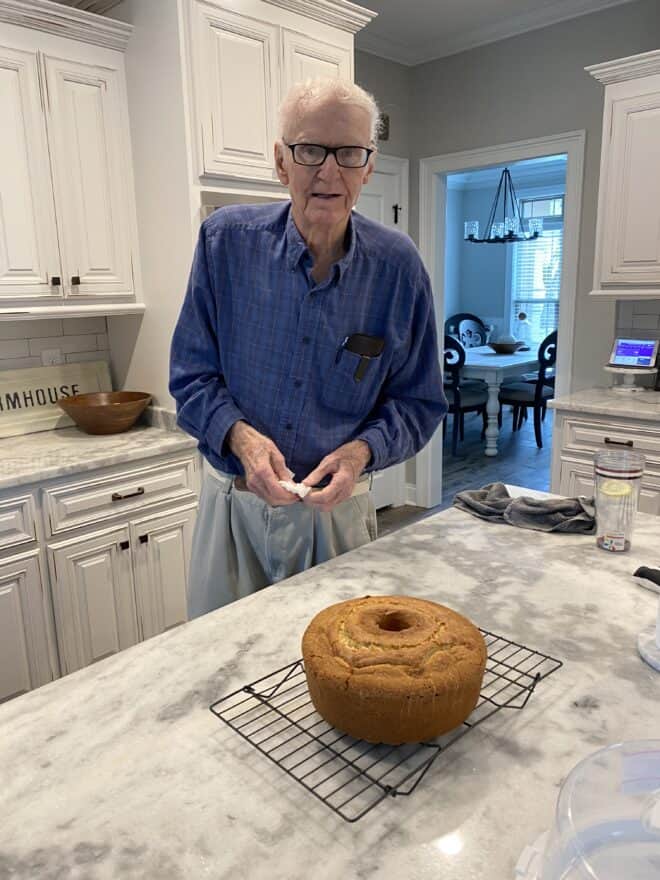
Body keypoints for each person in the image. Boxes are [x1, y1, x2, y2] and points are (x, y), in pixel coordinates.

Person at [170, 78, 447, 618]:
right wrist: (243, 440)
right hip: (233, 511)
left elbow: (419, 403)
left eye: (349, 153)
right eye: (310, 150)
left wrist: (360, 452)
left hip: (337, 516)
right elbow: (190, 377)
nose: (329, 171)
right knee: (220, 667)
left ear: (368, 166)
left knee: (341, 673)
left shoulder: (398, 268)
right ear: (281, 162)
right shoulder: (224, 243)